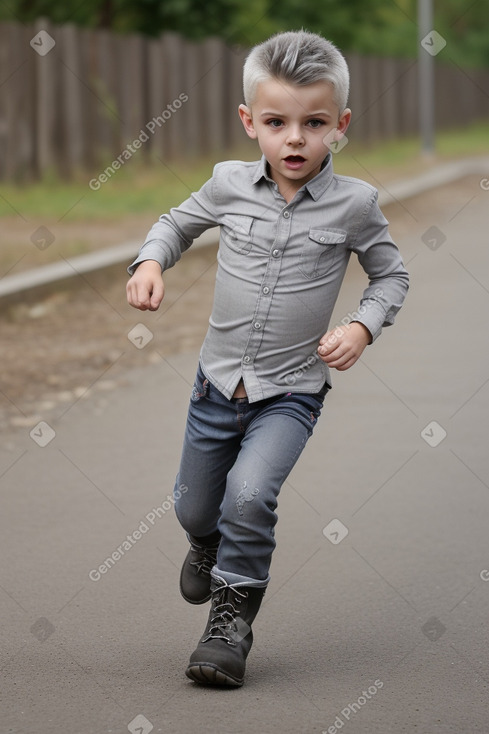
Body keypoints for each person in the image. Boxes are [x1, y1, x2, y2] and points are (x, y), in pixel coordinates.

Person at [126, 29, 409, 687]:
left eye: (313, 124)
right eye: (277, 122)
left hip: (291, 392)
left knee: (249, 495)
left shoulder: (355, 203)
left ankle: (229, 628)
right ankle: (207, 542)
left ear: (338, 126)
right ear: (249, 122)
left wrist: (362, 327)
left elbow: (390, 276)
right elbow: (175, 224)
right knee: (197, 509)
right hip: (215, 386)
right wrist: (149, 262)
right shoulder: (227, 184)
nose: (294, 140)